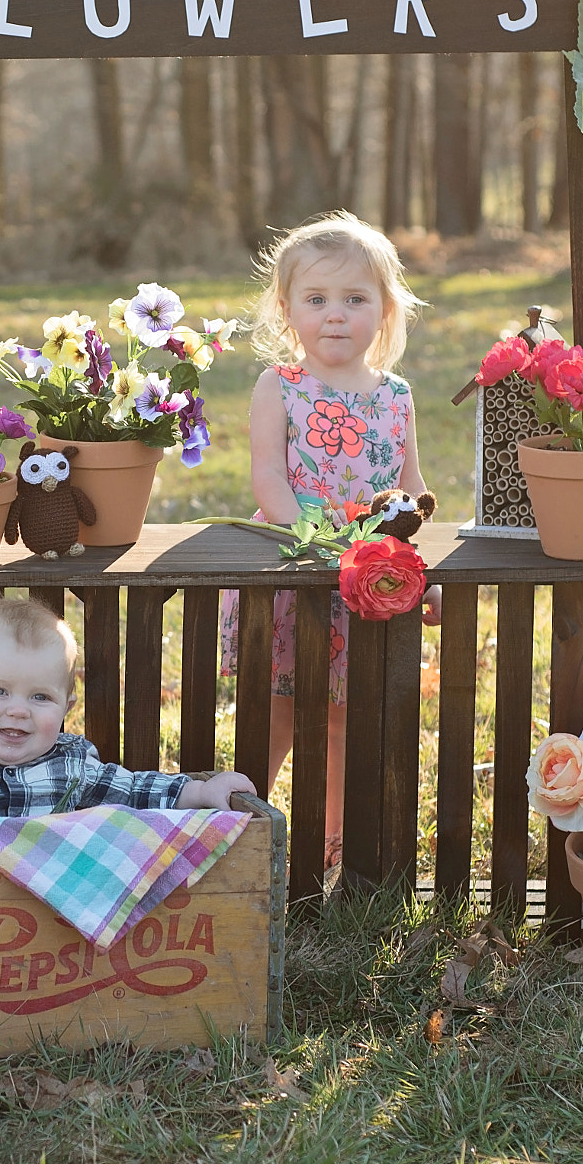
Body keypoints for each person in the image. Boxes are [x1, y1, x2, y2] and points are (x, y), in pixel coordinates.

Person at [219, 211, 440, 858]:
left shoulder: (396, 396)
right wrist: (318, 552)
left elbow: (412, 490)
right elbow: (270, 484)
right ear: (288, 312)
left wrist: (413, 571)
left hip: (369, 577)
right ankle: (244, 829)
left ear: (386, 310)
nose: (336, 315)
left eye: (354, 299)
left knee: (346, 716)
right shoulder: (280, 387)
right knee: (279, 710)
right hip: (298, 569)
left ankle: (329, 840)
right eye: (317, 300)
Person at [0, 596, 258, 817]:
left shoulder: (72, 764)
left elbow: (134, 792)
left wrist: (199, 792)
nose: (19, 710)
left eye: (40, 697)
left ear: (67, 707)